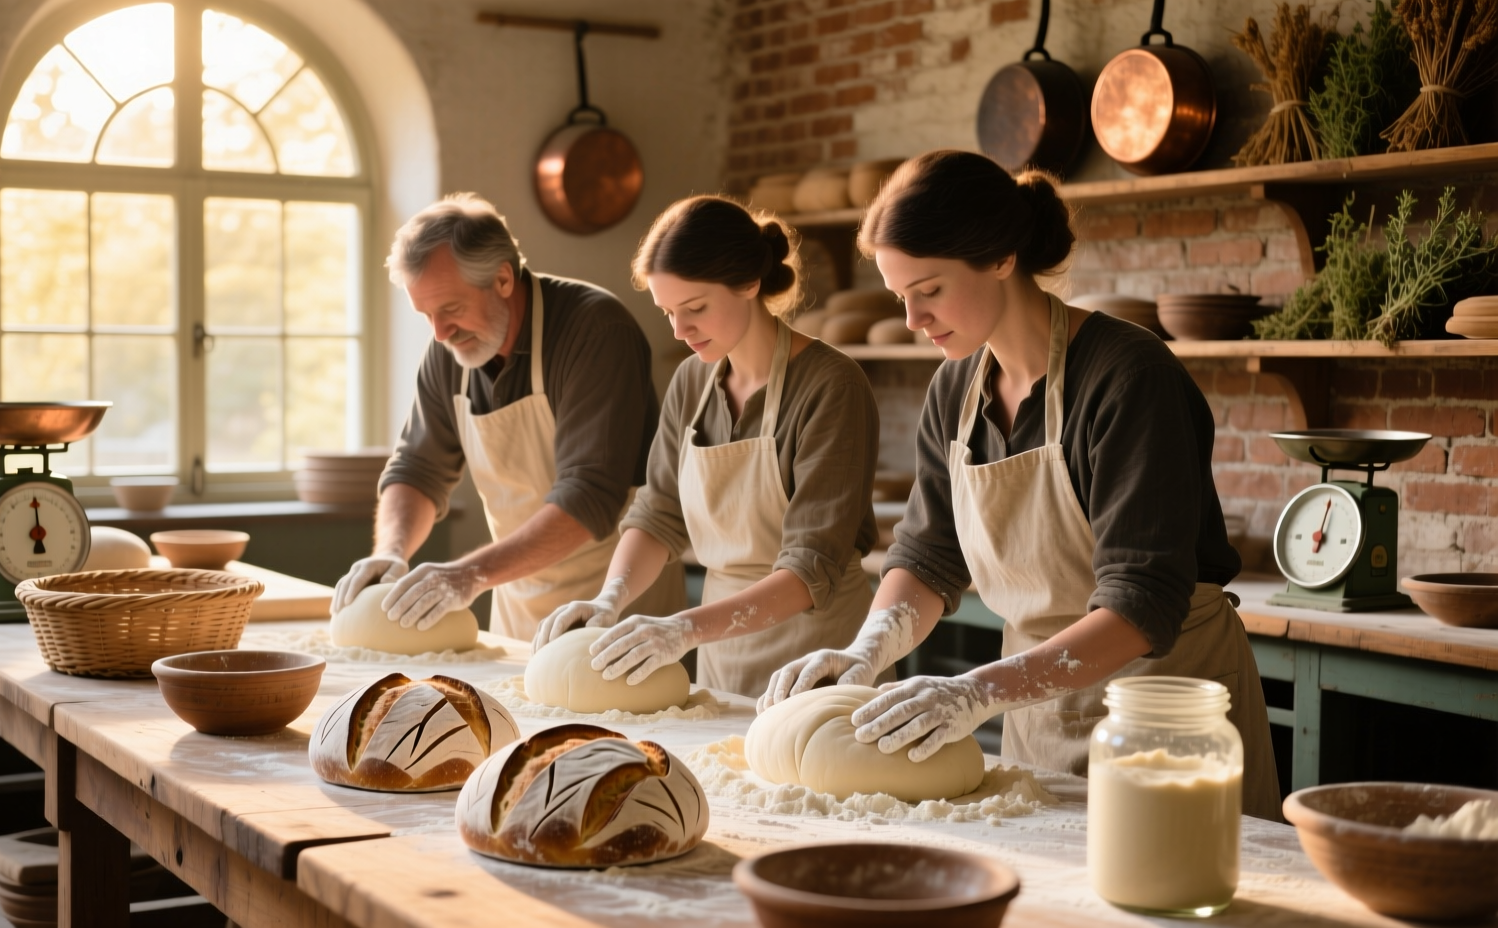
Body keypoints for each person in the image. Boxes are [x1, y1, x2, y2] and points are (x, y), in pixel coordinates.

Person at [759, 151, 1280, 819]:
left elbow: (1141, 603)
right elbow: (927, 557)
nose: (914, 319)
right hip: (1034, 705)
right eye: (900, 298)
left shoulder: (1127, 376)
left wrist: (976, 691)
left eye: (931, 290)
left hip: (1161, 710)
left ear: (1003, 257)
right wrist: (866, 651)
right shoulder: (956, 387)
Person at [534, 195, 882, 699]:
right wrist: (611, 599)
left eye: (695, 308)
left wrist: (685, 628)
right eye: (669, 312)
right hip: (721, 650)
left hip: (816, 659)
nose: (679, 330)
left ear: (749, 283)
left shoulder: (833, 385)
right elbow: (658, 514)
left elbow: (810, 568)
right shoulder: (691, 382)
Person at [332, 193, 684, 640]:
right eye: (426, 315)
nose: (439, 333)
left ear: (502, 278)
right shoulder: (448, 350)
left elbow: (589, 496)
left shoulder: (594, 330)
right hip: (515, 603)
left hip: (613, 610)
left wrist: (467, 574)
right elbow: (418, 469)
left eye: (451, 310)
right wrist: (392, 550)